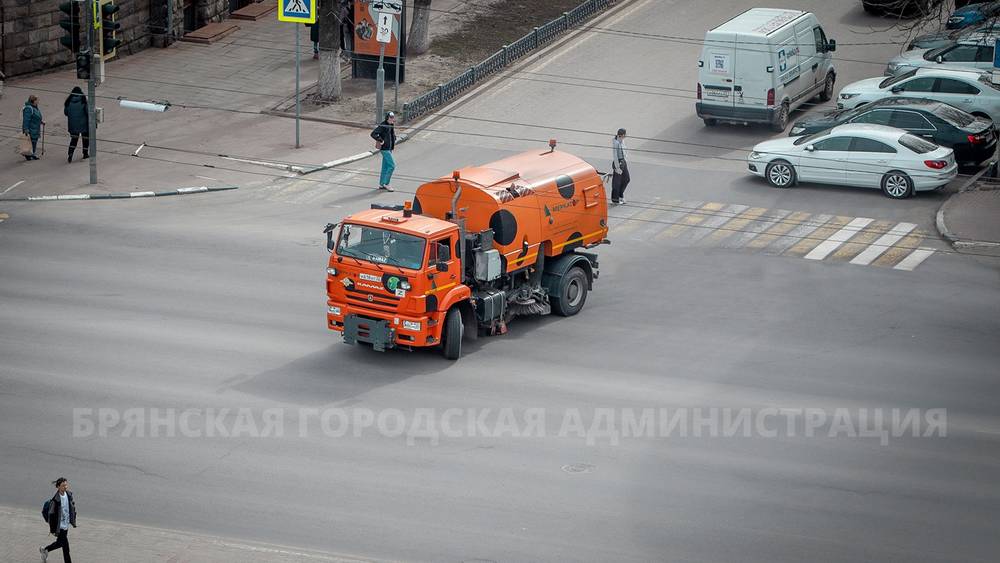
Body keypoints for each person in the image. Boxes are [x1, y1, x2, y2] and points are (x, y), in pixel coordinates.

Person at [40, 477, 76, 562]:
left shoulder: (68, 495)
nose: (65, 487)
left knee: (60, 543)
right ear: (58, 487)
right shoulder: (55, 500)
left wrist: (73, 519)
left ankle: (45, 550)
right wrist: (53, 529)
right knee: (66, 548)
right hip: (60, 527)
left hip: (66, 525)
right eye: (63, 486)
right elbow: (51, 515)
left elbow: (71, 507)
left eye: (66, 485)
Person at [371, 111, 397, 192]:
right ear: (387, 118)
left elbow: (392, 134)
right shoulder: (383, 125)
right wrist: (380, 140)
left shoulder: (391, 124)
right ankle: (387, 184)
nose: (392, 119)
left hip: (389, 148)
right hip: (385, 149)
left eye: (393, 117)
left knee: (385, 167)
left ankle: (381, 184)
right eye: (390, 117)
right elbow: (373, 134)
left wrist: (394, 139)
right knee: (392, 166)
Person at [64, 87, 89, 163]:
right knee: (85, 139)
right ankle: (85, 153)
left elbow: (66, 113)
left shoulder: (68, 101)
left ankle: (70, 154)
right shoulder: (83, 100)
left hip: (72, 125)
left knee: (74, 140)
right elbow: (87, 112)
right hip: (83, 124)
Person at [21, 95, 44, 161]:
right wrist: (26, 129)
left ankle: (31, 154)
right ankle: (28, 154)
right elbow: (26, 120)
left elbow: (36, 116)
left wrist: (41, 121)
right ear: (34, 101)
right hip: (31, 129)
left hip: (35, 128)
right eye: (37, 100)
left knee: (34, 142)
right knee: (30, 142)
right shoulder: (28, 108)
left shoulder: (35, 107)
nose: (38, 101)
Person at [611, 128, 630, 204]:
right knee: (616, 182)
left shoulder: (622, 140)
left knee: (627, 179)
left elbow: (624, 150)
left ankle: (620, 195)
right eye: (625, 135)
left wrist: (626, 160)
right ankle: (615, 200)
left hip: (623, 162)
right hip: (618, 163)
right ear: (622, 135)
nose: (625, 137)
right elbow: (615, 156)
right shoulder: (616, 143)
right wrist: (617, 167)